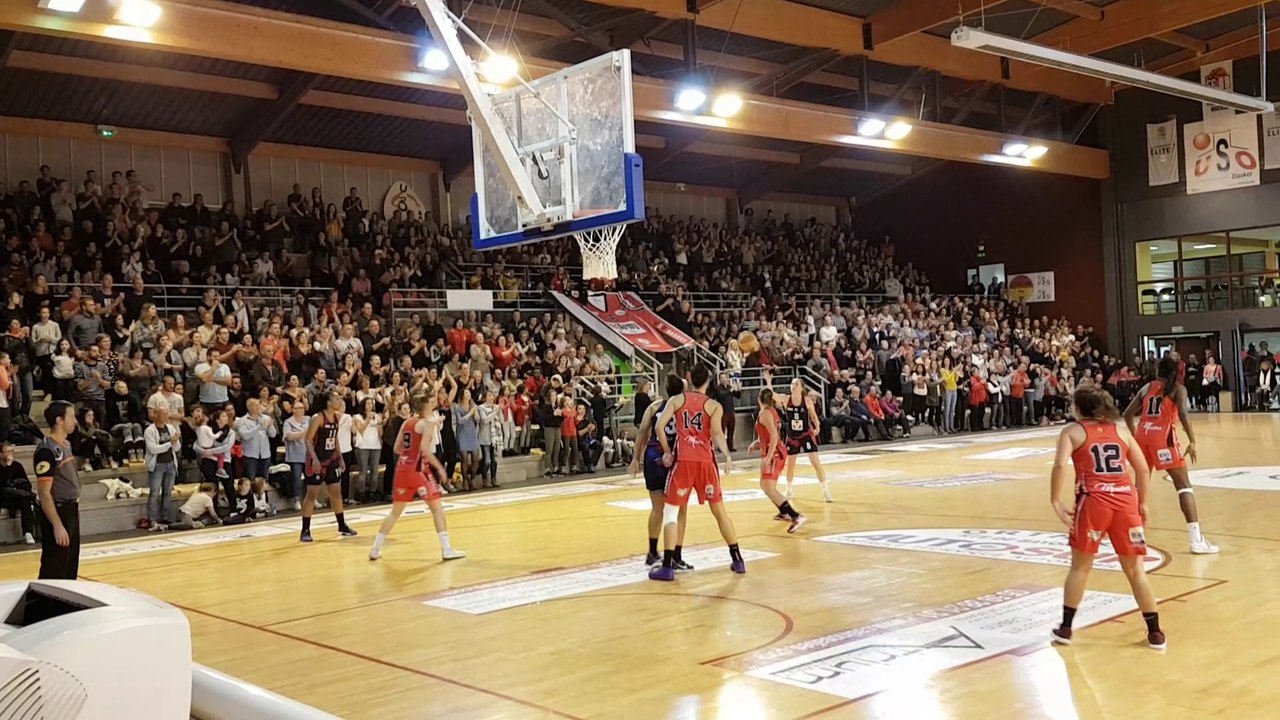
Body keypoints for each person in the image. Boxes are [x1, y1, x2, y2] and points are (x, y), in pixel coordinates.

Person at [1049, 385, 1165, 650]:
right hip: (1126, 502)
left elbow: (1059, 466)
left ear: (1079, 408)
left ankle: (1066, 628)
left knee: (1080, 567)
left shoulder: (1072, 431)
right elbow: (1143, 469)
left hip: (1094, 502)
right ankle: (1155, 633)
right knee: (1136, 570)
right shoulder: (1121, 432)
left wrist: (1055, 499)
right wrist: (1142, 502)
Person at [648, 363, 742, 581]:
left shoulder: (677, 400)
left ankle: (668, 566)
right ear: (708, 381)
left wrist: (667, 451)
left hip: (684, 462)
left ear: (689, 378)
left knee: (671, 512)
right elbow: (718, 434)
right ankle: (738, 560)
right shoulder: (714, 405)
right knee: (720, 512)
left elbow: (659, 427)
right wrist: (727, 455)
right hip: (706, 462)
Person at [1123, 356, 1218, 555]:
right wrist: (1192, 441)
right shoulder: (1178, 389)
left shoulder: (1147, 387)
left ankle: (1132, 536)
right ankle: (1196, 540)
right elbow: (1183, 414)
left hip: (1143, 436)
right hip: (1163, 439)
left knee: (1139, 488)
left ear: (1158, 371)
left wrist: (1135, 436)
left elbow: (1127, 414)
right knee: (1184, 488)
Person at [369, 392, 465, 561]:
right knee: (437, 508)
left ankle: (375, 549)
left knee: (395, 512)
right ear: (426, 406)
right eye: (432, 401)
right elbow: (425, 449)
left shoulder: (408, 422)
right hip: (418, 469)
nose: (434, 402)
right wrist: (440, 468)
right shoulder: (426, 424)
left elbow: (397, 448)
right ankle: (447, 549)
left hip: (403, 468)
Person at [627, 374, 690, 568]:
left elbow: (642, 433)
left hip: (653, 456)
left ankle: (653, 551)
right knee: (680, 509)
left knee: (657, 508)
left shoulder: (654, 407)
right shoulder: (684, 408)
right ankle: (676, 555)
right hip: (674, 457)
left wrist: (635, 458)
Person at [301, 394, 357, 542]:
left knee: (336, 493)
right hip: (316, 460)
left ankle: (342, 525)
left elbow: (334, 439)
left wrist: (340, 458)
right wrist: (314, 459)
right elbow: (308, 440)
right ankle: (305, 530)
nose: (339, 401)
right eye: (337, 399)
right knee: (312, 494)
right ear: (328, 402)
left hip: (331, 460)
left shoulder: (337, 418)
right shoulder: (318, 418)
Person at [748, 388, 805, 533]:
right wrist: (757, 443)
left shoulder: (765, 413)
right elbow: (770, 433)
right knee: (765, 485)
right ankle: (784, 511)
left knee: (769, 488)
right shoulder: (771, 411)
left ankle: (795, 515)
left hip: (774, 453)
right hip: (774, 451)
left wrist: (768, 457)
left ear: (759, 399)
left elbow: (774, 436)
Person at [35, 400, 81, 579]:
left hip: (71, 509)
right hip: (58, 510)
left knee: (70, 565)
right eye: (71, 416)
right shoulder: (47, 450)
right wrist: (57, 525)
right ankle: (43, 607)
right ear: (59, 420)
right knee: (54, 568)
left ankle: (65, 606)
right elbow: (44, 493)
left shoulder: (66, 445)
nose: (75, 421)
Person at [780, 377, 833, 503]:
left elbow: (814, 417)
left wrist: (817, 426)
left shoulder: (807, 401)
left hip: (806, 434)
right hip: (792, 435)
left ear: (801, 387)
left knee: (815, 463)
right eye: (792, 383)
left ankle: (826, 490)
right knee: (790, 465)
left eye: (796, 384)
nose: (793, 385)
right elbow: (772, 395)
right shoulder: (786, 399)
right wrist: (769, 381)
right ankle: (789, 489)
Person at [0, 443, 36, 545]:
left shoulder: (17, 466)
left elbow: (27, 484)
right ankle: (33, 496)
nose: (10, 454)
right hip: (3, 496)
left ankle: (28, 532)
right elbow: (2, 483)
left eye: (12, 451)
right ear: (1, 454)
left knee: (24, 499)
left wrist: (18, 487)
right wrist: (7, 467)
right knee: (6, 490)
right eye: (7, 452)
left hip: (17, 496)